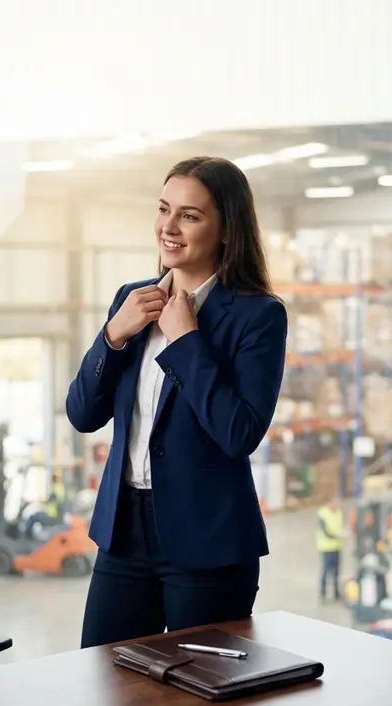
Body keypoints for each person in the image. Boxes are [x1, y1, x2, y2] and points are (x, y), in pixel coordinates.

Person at [67, 156, 287, 648]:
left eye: (190, 215)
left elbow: (239, 434)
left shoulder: (258, 316)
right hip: (124, 535)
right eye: (164, 209)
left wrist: (187, 342)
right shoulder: (132, 299)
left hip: (208, 543)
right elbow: (82, 414)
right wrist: (113, 336)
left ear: (227, 230)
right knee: (106, 690)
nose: (169, 226)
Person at [316, 498, 344, 600]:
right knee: (326, 571)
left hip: (336, 546)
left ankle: (336, 593)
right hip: (326, 547)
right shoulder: (322, 514)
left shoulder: (338, 513)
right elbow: (325, 532)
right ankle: (323, 592)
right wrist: (337, 536)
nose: (338, 504)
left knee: (336, 571)